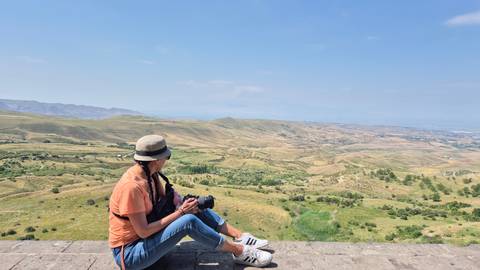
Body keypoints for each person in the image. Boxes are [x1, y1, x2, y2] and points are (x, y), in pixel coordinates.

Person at [108, 134, 273, 269]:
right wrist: (181, 212)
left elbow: (165, 200)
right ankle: (240, 252)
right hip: (130, 254)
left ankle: (240, 236)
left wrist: (183, 203)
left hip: (146, 242)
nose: (166, 160)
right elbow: (143, 232)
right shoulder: (131, 187)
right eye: (166, 157)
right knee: (188, 220)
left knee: (194, 205)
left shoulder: (150, 175)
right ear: (156, 160)